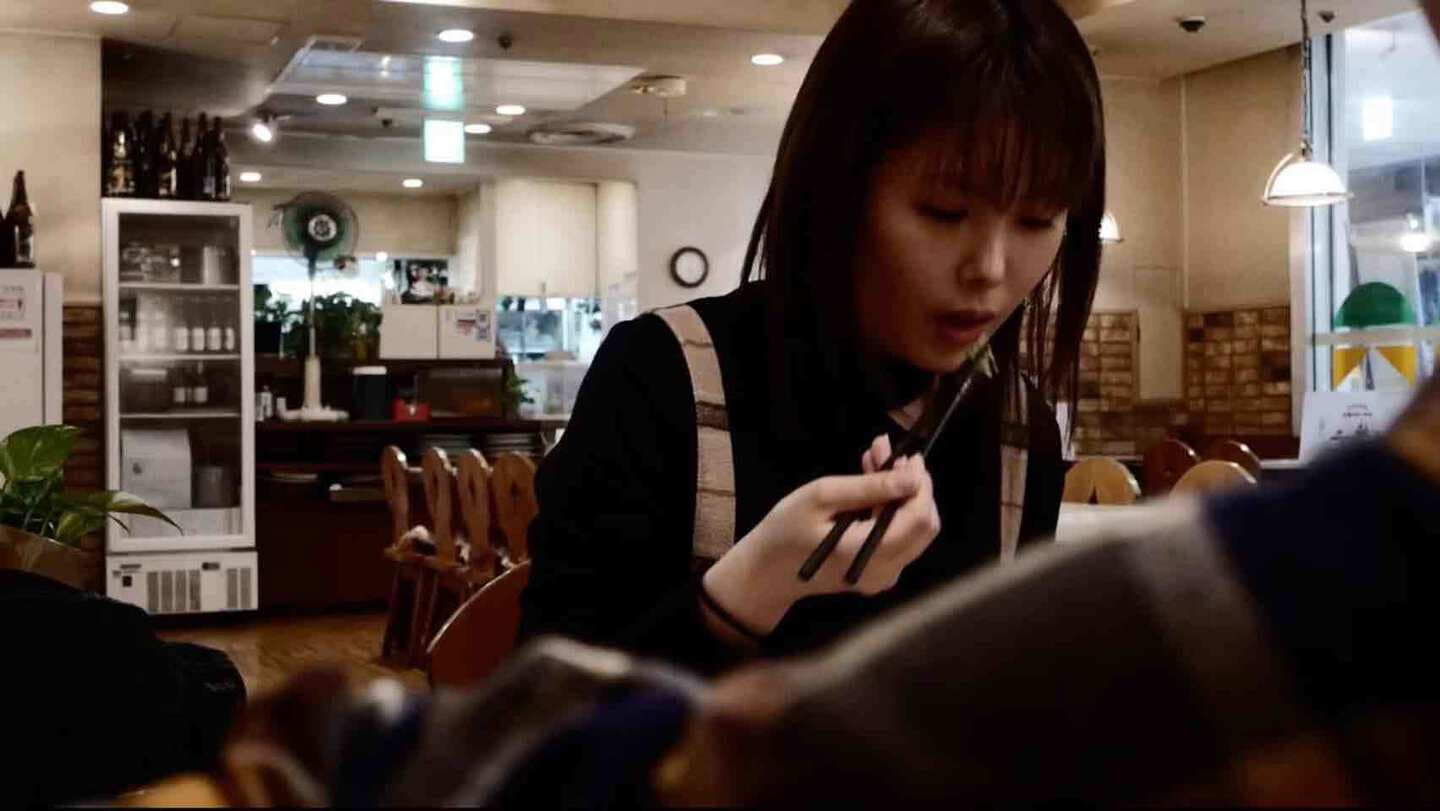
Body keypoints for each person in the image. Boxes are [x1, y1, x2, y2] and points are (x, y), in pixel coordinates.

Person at [519, 0, 1106, 672]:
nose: (991, 269)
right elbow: (541, 721)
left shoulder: (1019, 432)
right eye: (943, 212)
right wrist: (749, 589)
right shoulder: (664, 378)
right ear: (840, 188)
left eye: (1037, 220)